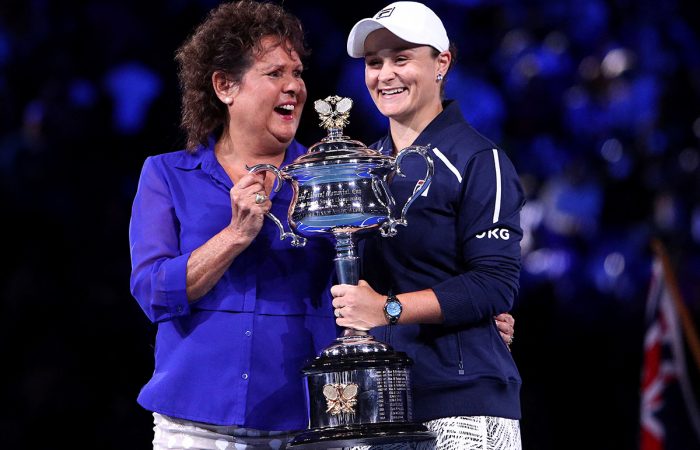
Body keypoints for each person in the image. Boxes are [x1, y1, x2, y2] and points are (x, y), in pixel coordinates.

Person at [128, 1, 340, 448]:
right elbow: (153, 293)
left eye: (297, 73)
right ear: (225, 86)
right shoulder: (166, 175)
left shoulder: (327, 177)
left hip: (309, 425)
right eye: (275, 73)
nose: (294, 88)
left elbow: (372, 281)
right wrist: (235, 236)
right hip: (195, 428)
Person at [331, 2, 525, 449]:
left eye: (401, 58)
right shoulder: (363, 169)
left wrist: (389, 309)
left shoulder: (480, 159)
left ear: (442, 63)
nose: (385, 74)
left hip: (463, 405)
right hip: (375, 401)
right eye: (374, 62)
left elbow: (494, 283)